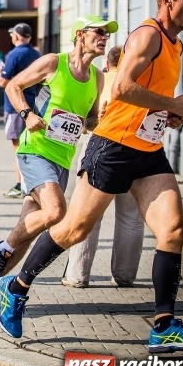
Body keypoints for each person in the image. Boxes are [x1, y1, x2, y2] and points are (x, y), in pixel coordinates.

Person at [0, 0, 183, 355]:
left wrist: (169, 113)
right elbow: (122, 88)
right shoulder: (147, 35)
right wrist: (171, 103)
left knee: (173, 230)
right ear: (168, 0)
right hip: (112, 147)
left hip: (148, 150)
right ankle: (14, 288)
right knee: (74, 229)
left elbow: (146, 95)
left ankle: (163, 326)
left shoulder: (175, 44)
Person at [0, 14, 108, 312]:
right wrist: (26, 114)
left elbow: (90, 120)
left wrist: (101, 119)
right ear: (80, 35)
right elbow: (13, 86)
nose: (104, 37)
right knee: (57, 211)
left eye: (106, 34)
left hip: (63, 159)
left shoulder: (98, 77)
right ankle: (0, 248)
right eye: (99, 32)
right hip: (35, 151)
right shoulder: (54, 62)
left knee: (29, 230)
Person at [61, 45, 145, 288]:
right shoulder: (142, 84)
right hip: (137, 148)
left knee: (88, 214)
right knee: (131, 217)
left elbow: (86, 120)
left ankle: (77, 275)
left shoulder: (100, 80)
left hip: (101, 147)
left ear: (108, 64)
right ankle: (124, 276)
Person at [0, 23, 42, 198]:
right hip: (33, 105)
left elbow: (3, 82)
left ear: (16, 36)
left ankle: (21, 185)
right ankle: (31, 184)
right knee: (30, 146)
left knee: (18, 147)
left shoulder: (14, 54)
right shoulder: (36, 55)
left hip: (15, 107)